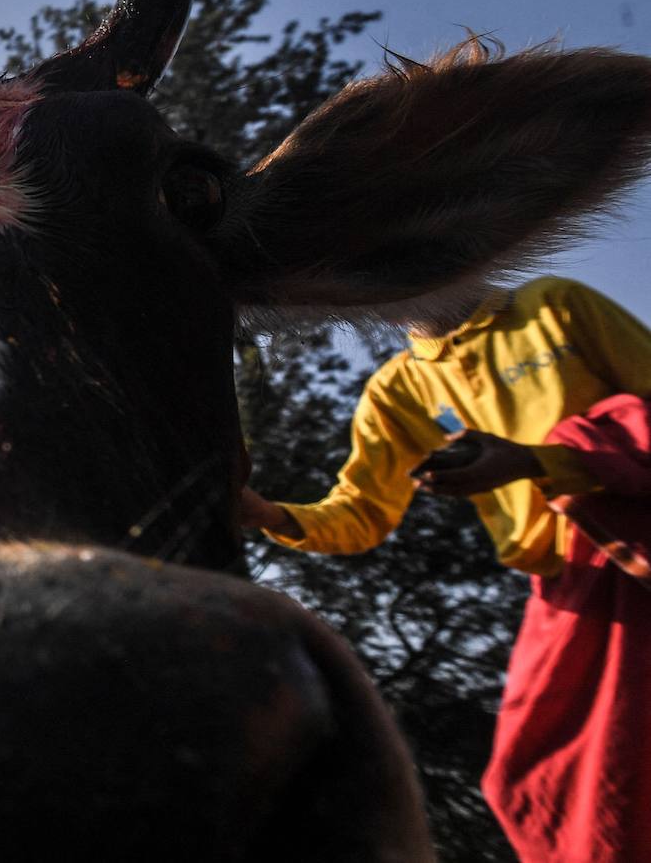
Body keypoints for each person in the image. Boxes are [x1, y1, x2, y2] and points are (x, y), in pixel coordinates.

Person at [239, 275, 651, 862]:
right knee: (531, 786)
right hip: (567, 592)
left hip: (628, 545)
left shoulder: (552, 307)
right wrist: (267, 513)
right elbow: (359, 515)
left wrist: (541, 460)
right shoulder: (398, 390)